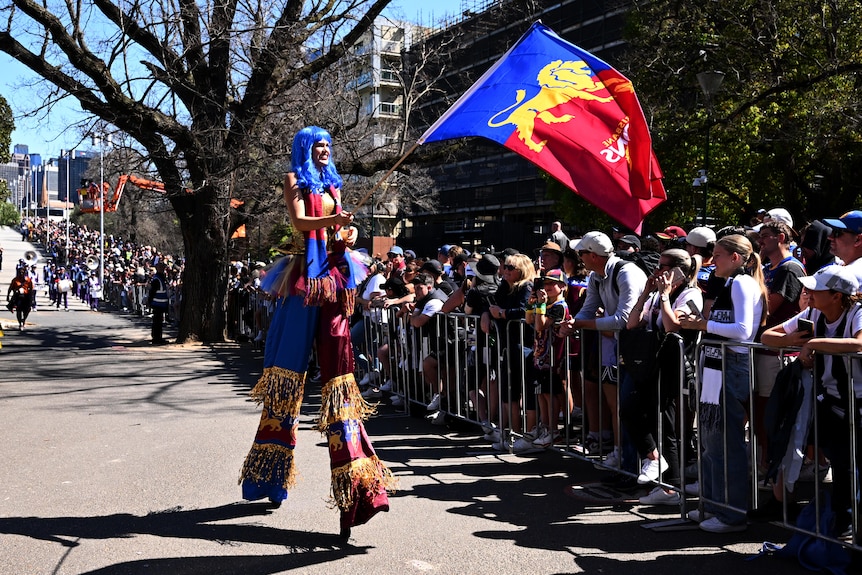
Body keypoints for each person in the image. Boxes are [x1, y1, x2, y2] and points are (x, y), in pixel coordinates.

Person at [239, 126, 394, 539]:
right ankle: (269, 475)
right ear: (305, 150)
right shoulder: (293, 180)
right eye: (318, 145)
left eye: (329, 145)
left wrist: (347, 233)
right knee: (285, 381)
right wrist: (333, 220)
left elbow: (335, 231)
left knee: (340, 385)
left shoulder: (334, 184)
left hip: (334, 283)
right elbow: (301, 221)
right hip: (303, 283)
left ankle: (359, 492)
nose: (325, 150)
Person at [760, 265, 862, 540]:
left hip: (857, 403)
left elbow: (859, 344)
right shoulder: (813, 312)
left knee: (848, 466)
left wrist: (813, 342)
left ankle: (848, 529)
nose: (809, 292)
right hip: (829, 401)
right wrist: (792, 339)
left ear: (837, 296)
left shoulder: (857, 313)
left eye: (817, 288)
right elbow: (766, 336)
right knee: (841, 465)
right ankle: (842, 529)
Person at [680, 234, 767, 533]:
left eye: (717, 255)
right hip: (718, 364)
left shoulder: (742, 282)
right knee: (711, 441)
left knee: (725, 442)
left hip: (731, 365)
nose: (711, 260)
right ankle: (712, 505)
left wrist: (702, 324)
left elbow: (742, 330)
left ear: (736, 258)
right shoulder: (728, 283)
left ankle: (731, 514)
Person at [148, 261, 170, 344]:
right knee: (157, 322)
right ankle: (157, 338)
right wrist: (150, 301)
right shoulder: (157, 279)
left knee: (158, 322)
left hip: (161, 303)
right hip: (157, 303)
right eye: (161, 267)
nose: (163, 269)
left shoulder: (161, 277)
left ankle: (157, 337)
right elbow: (152, 291)